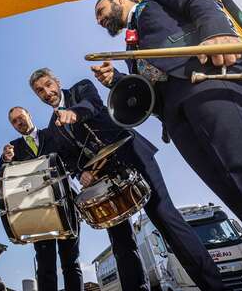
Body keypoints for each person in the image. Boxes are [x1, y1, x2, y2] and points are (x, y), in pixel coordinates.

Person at [91, 0, 242, 289]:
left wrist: (216, 32)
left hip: (208, 80)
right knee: (234, 191)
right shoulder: (132, 45)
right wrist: (116, 80)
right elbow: (146, 96)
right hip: (177, 116)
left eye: (100, 10)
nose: (100, 20)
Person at [29, 68, 223, 290]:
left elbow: (92, 105)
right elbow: (71, 159)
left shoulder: (80, 88)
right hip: (104, 179)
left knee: (165, 219)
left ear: (57, 81)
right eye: (39, 91)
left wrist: (74, 113)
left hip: (132, 155)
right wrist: (80, 173)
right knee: (121, 243)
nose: (46, 92)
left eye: (48, 85)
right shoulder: (52, 129)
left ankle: (214, 286)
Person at [0, 106, 83, 291]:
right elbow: (3, 173)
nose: (19, 122)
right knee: (45, 267)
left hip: (66, 204)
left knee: (71, 262)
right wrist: (5, 159)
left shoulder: (52, 133)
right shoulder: (14, 147)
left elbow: (71, 155)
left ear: (29, 114)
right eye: (14, 121)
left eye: (21, 116)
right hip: (37, 211)